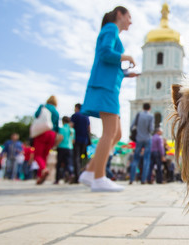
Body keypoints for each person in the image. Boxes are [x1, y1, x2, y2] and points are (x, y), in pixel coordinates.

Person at [78, 6, 138, 192]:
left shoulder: (112, 31)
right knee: (110, 132)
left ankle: (90, 171)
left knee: (117, 133)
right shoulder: (111, 28)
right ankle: (99, 178)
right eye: (129, 16)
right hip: (105, 87)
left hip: (109, 86)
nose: (130, 21)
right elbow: (105, 53)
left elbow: (109, 62)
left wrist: (127, 74)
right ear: (119, 14)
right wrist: (125, 56)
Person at [33, 95, 59, 185]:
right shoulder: (56, 112)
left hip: (42, 132)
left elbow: (36, 115)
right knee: (44, 156)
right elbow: (57, 126)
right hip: (52, 134)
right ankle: (40, 176)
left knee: (38, 155)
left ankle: (43, 170)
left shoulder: (43, 107)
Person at [129, 103, 154, 184]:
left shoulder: (138, 115)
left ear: (143, 108)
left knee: (135, 159)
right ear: (149, 109)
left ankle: (131, 179)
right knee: (146, 159)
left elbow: (131, 126)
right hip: (147, 139)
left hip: (138, 139)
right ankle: (143, 180)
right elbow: (151, 129)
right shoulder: (151, 116)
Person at [71, 103, 90, 183]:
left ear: (77, 108)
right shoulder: (86, 116)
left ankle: (77, 176)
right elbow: (89, 128)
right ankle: (84, 174)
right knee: (83, 158)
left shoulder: (75, 115)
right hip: (84, 140)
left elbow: (71, 126)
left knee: (76, 158)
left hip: (76, 139)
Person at [55, 116, 75, 184]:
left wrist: (55, 145)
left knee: (59, 163)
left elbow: (60, 138)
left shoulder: (63, 128)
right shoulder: (72, 130)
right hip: (70, 148)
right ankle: (71, 173)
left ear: (63, 121)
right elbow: (73, 141)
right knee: (68, 162)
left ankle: (57, 179)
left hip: (62, 147)